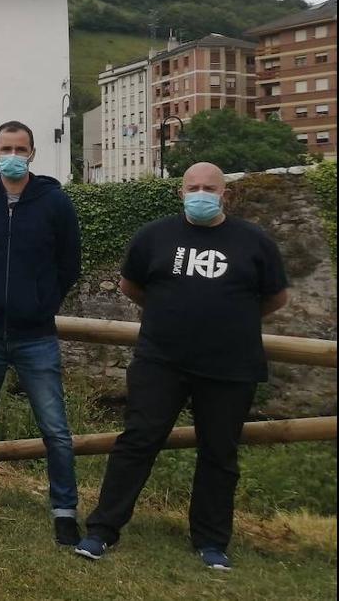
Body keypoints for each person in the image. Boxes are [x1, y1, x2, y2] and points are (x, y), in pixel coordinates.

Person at [76, 162, 288, 570]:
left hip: (230, 367)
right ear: (181, 192)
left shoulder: (254, 242)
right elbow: (131, 286)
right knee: (137, 442)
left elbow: (275, 298)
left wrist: (230, 320)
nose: (202, 193)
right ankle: (102, 530)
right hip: (161, 361)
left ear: (224, 193)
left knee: (219, 455)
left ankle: (211, 541)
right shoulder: (154, 237)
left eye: (210, 187)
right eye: (194, 187)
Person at [0, 120, 82, 545]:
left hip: (36, 334)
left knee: (55, 429)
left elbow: (70, 264)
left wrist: (44, 303)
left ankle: (64, 509)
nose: (13, 153)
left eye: (20, 147)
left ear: (31, 153)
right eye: (5, 146)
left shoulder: (55, 203)